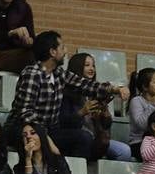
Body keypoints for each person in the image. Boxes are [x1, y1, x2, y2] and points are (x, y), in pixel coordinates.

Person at [7, 30, 127, 159]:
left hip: (49, 131)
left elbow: (86, 85)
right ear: (52, 52)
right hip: (22, 129)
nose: (65, 51)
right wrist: (46, 139)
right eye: (62, 47)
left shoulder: (59, 73)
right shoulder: (32, 74)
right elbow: (26, 113)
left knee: (83, 138)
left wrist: (115, 89)